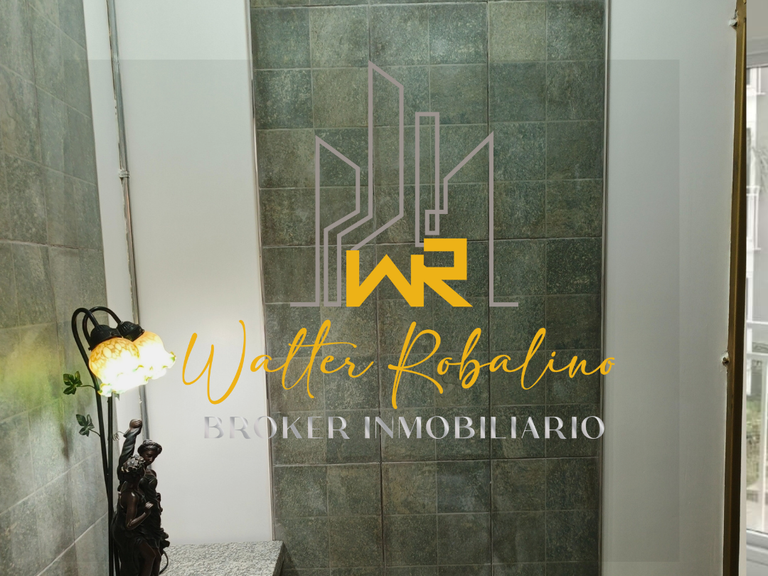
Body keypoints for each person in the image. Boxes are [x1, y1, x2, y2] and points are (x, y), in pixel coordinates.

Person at [112, 456, 160, 576]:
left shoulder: (129, 485)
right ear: (139, 474)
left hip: (134, 531)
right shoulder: (132, 496)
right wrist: (146, 513)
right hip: (128, 534)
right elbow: (129, 525)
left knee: (152, 555)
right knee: (150, 556)